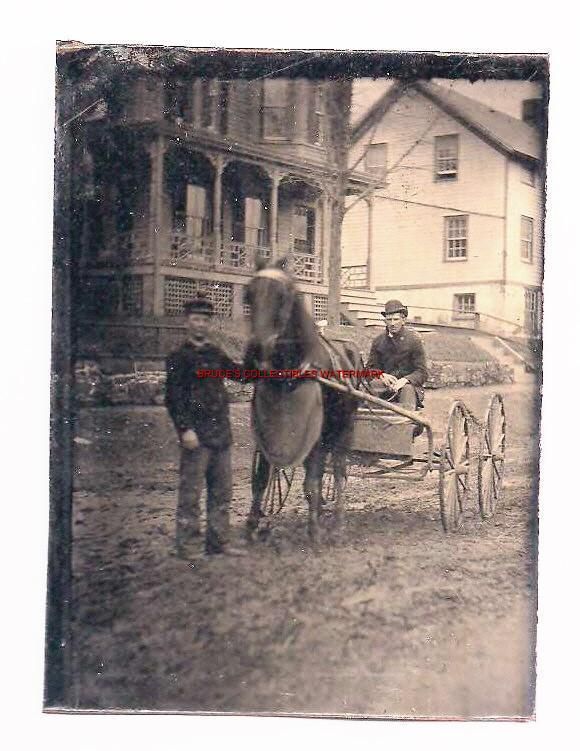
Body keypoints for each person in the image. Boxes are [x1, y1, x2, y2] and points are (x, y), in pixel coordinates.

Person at [165, 294, 247, 559]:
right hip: (196, 436)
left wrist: (260, 358)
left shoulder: (215, 353)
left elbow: (240, 374)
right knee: (191, 493)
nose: (200, 324)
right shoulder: (179, 357)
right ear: (187, 322)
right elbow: (174, 398)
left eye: (205, 320)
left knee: (222, 492)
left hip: (220, 434)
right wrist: (184, 429)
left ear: (210, 324)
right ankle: (187, 546)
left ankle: (218, 542)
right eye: (196, 319)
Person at [366, 299, 428, 411]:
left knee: (407, 390)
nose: (392, 323)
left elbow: (422, 372)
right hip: (385, 386)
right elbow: (370, 369)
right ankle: (372, 422)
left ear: (403, 320)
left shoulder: (414, 340)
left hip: (409, 387)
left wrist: (405, 380)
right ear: (385, 321)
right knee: (373, 386)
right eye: (389, 320)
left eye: (396, 319)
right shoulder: (378, 341)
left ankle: (404, 425)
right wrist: (381, 375)